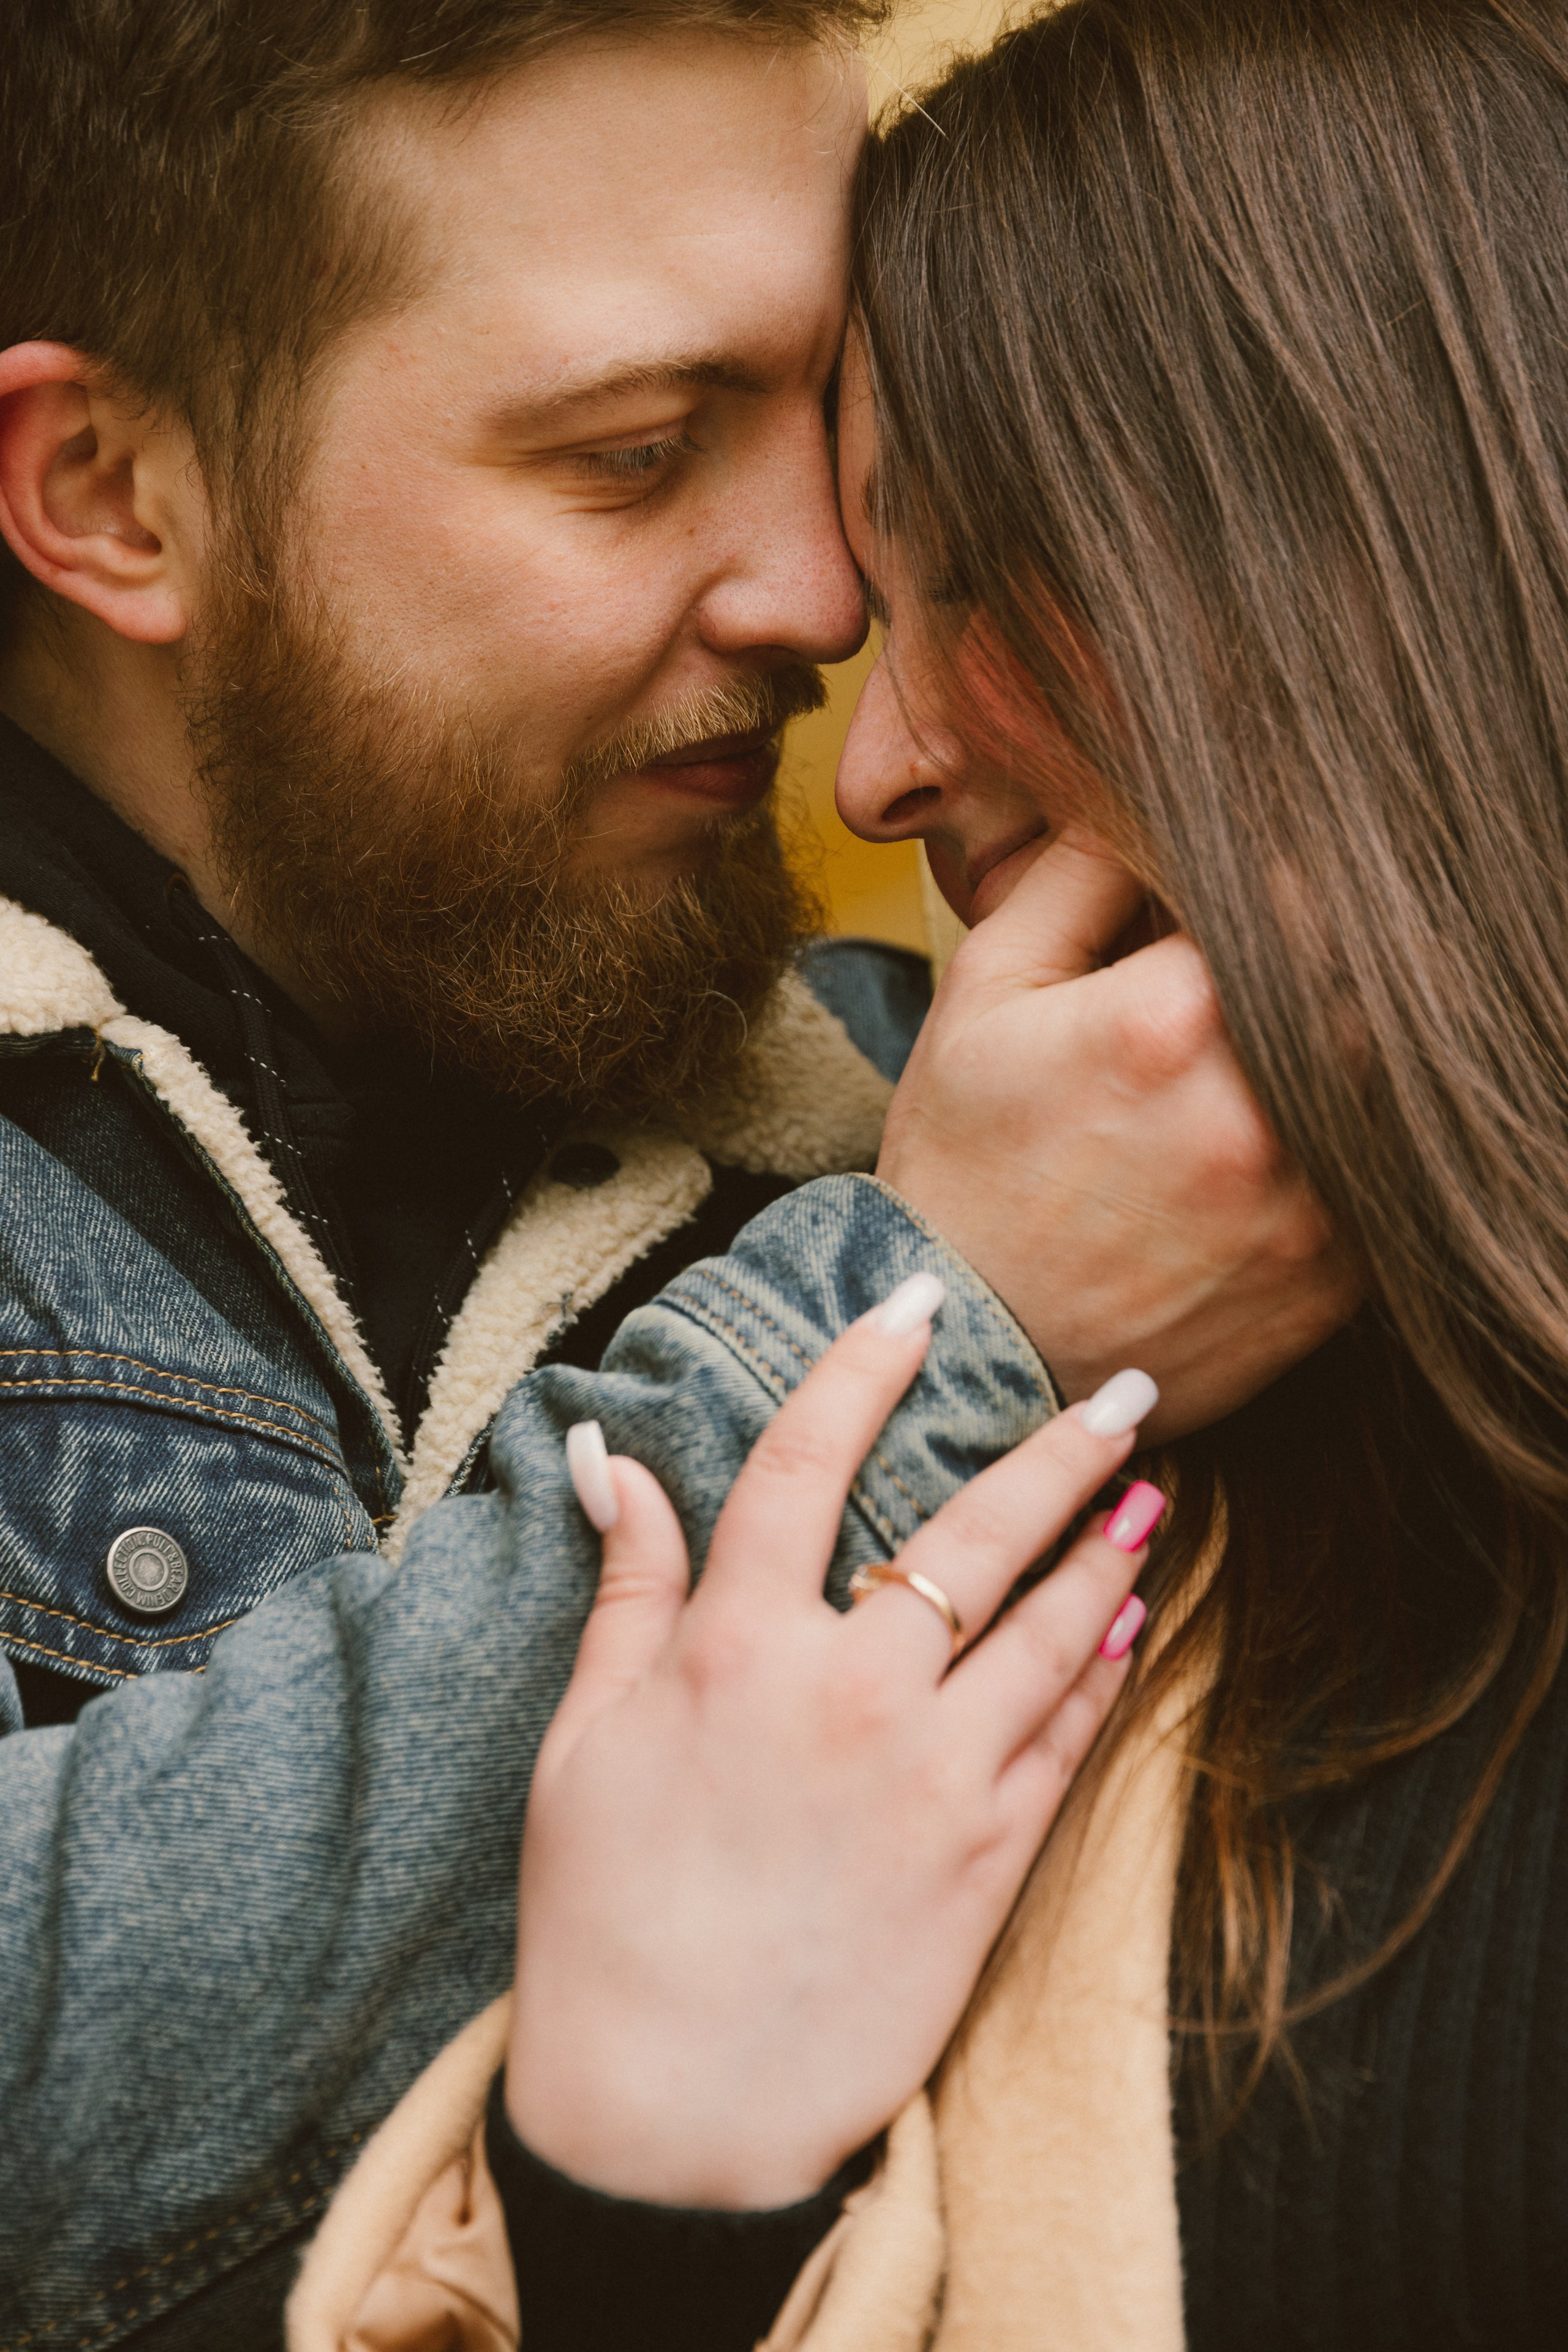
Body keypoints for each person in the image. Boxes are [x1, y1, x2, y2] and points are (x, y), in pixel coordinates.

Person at [0, 2, 1352, 2342]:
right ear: (117, 495)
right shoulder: (986, 1228)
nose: (824, 601)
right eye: (635, 456)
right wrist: (929, 1327)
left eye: (827, 424)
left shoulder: (975, 1107)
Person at [303, 2, 1568, 2348]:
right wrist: (643, 2189)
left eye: (970, 572)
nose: (870, 764)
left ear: (1344, 569)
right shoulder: (1086, 1539)